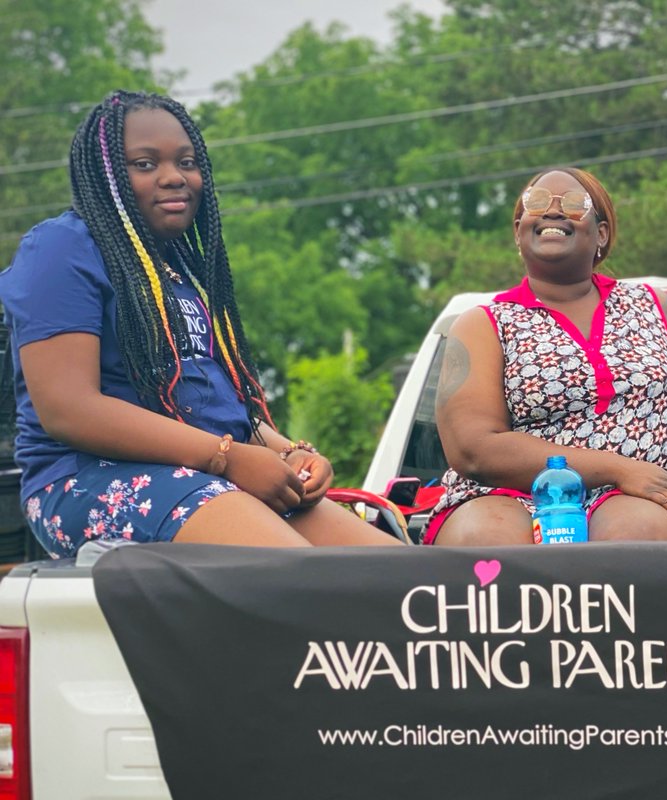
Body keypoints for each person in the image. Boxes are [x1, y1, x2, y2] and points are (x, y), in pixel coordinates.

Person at [0, 91, 398, 557]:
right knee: (306, 578)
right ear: (104, 174)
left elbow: (217, 411)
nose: (174, 177)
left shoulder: (180, 273)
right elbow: (69, 408)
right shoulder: (62, 248)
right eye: (145, 164)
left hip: (208, 475)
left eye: (186, 162)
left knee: (393, 576)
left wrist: (289, 454)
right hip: (86, 479)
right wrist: (227, 459)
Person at [427, 167, 667, 545]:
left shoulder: (654, 307)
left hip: (650, 495)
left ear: (601, 234)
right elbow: (473, 448)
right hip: (516, 497)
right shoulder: (484, 323)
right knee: (485, 536)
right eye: (536, 203)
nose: (553, 211)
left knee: (632, 532)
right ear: (519, 231)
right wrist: (618, 469)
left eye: (574, 204)